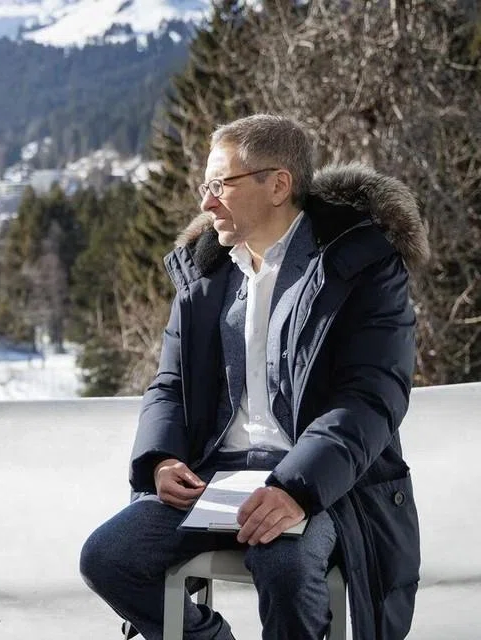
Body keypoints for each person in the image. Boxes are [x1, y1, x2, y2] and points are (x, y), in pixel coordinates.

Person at [80, 114, 429, 640]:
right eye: (206, 187)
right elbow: (170, 384)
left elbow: (370, 397)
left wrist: (295, 489)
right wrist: (162, 458)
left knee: (283, 566)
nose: (206, 203)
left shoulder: (363, 267)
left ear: (278, 185)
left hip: (326, 486)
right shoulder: (205, 275)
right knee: (109, 557)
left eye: (220, 185)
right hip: (212, 481)